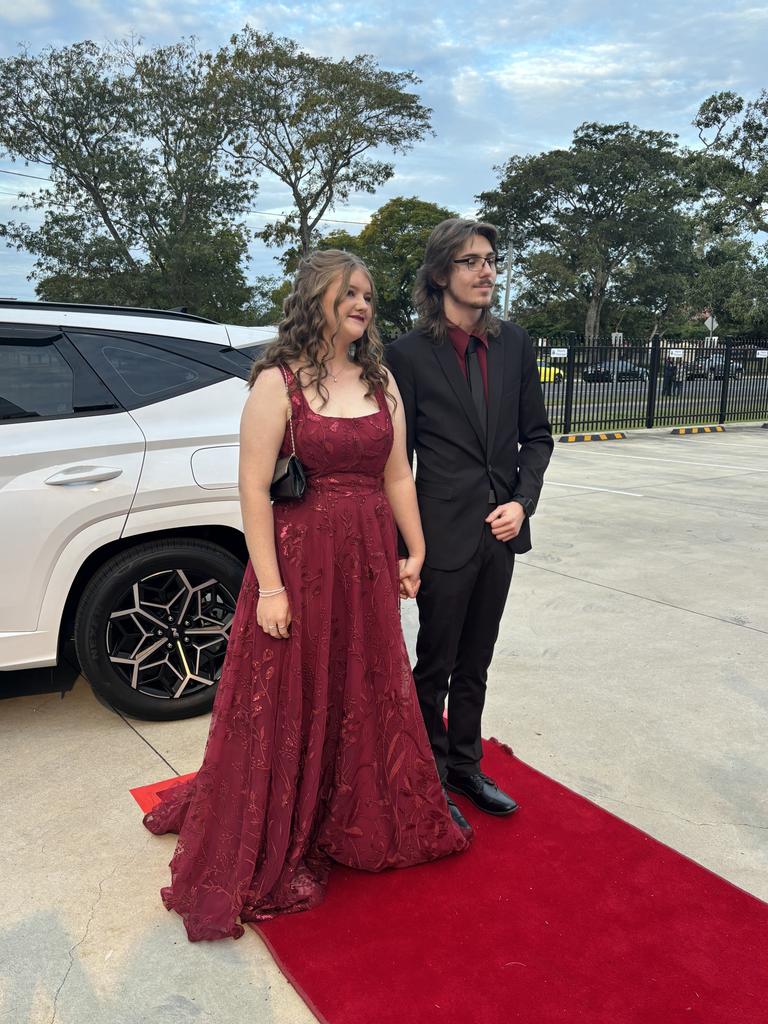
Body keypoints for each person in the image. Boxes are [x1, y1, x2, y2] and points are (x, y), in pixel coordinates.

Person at [143, 250, 470, 941]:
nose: (362, 303)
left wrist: (417, 549)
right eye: (348, 292)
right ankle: (288, 817)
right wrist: (268, 587)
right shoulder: (277, 383)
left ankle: (351, 811)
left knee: (362, 686)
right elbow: (254, 489)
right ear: (314, 298)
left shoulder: (381, 381)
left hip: (369, 561)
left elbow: (397, 478)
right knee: (294, 692)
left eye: (370, 295)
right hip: (299, 561)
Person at [385, 219, 553, 828]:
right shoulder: (405, 355)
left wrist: (523, 502)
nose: (486, 271)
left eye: (491, 259)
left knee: (476, 660)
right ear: (440, 275)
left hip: (500, 533)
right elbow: (395, 460)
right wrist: (406, 548)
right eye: (470, 261)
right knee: (434, 662)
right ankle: (428, 778)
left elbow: (536, 437)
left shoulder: (515, 343)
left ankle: (465, 763)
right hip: (440, 535)